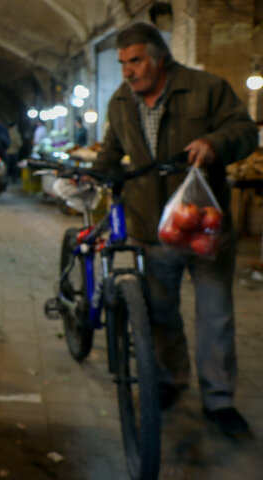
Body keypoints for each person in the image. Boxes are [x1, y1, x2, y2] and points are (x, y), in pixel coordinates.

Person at [95, 22, 257, 436]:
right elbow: (112, 151)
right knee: (162, 314)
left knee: (216, 314)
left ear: (159, 57)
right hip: (153, 229)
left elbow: (243, 130)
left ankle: (219, 400)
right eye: (122, 64)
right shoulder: (121, 102)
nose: (128, 71)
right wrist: (93, 174)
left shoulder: (206, 88)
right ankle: (170, 381)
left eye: (136, 61)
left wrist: (215, 143)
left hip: (205, 228)